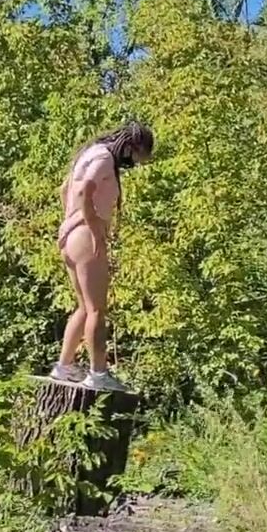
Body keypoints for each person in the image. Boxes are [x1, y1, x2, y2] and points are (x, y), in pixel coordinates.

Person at [49, 121, 154, 391]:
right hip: (85, 236)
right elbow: (83, 191)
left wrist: (71, 220)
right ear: (131, 146)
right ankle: (98, 373)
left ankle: (64, 366)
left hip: (70, 235)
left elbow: (65, 189)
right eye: (138, 156)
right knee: (97, 309)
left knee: (84, 307)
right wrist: (95, 228)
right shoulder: (104, 158)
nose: (135, 163)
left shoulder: (89, 153)